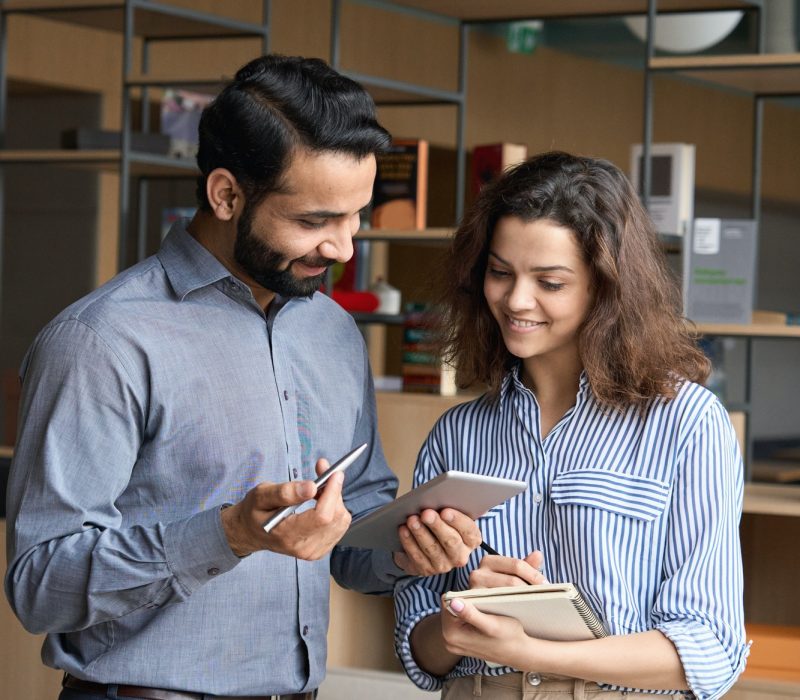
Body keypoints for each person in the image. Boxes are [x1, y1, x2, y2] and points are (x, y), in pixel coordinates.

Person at [4, 54, 481, 700]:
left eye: (356, 216)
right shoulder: (102, 341)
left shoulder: (335, 334)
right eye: (315, 222)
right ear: (226, 194)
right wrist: (228, 535)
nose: (344, 248)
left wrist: (407, 550)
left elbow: (350, 535)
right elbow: (40, 587)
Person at [393, 152, 749, 700]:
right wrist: (460, 624)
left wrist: (530, 652)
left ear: (606, 288)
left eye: (550, 282)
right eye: (500, 272)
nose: (515, 300)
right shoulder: (457, 434)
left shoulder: (687, 423)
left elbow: (709, 647)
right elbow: (420, 649)